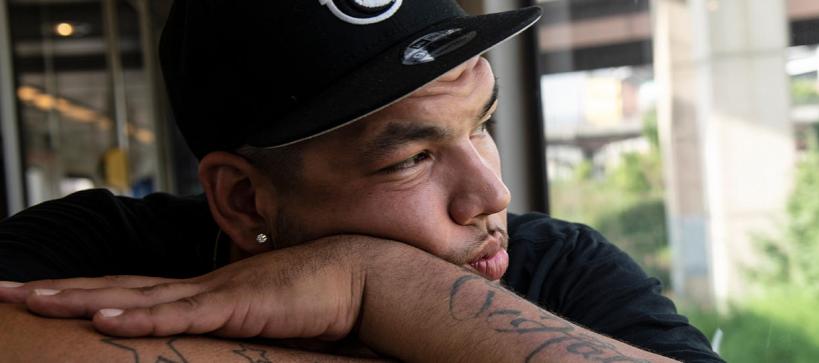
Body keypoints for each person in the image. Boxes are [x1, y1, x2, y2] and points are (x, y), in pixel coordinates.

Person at [0, 0, 723, 362]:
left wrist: (373, 280)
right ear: (244, 198)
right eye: (409, 158)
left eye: (481, 124)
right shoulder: (97, 247)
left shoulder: (563, 266)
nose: (490, 195)